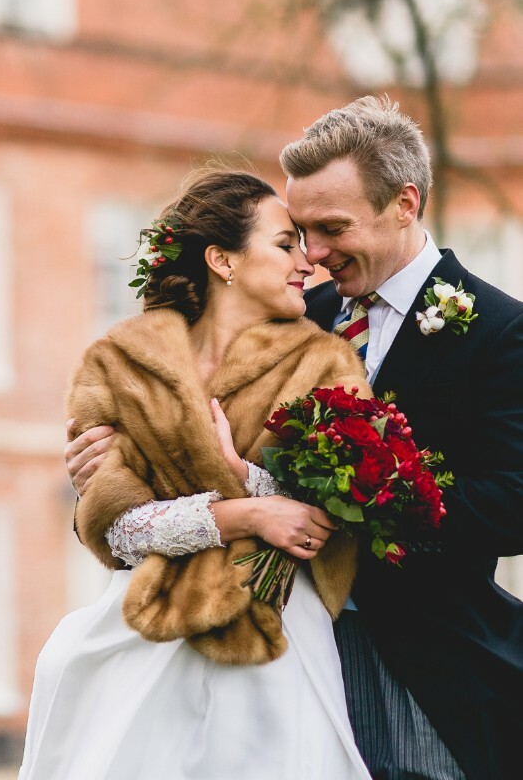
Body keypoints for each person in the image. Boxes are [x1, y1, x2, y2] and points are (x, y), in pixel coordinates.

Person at [68, 97, 523, 780]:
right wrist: (108, 462)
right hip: (269, 658)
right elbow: (178, 433)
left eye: (332, 227)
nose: (311, 254)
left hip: (423, 665)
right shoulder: (282, 310)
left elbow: (510, 503)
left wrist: (351, 500)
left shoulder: (499, 332)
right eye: (299, 230)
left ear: (404, 204)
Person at [20, 170, 373, 780]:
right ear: (222, 260)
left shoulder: (327, 363)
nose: (308, 262)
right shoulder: (121, 363)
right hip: (142, 627)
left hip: (273, 629)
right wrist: (249, 512)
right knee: (72, 681)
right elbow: (118, 527)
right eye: (285, 244)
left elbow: (325, 519)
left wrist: (240, 475)